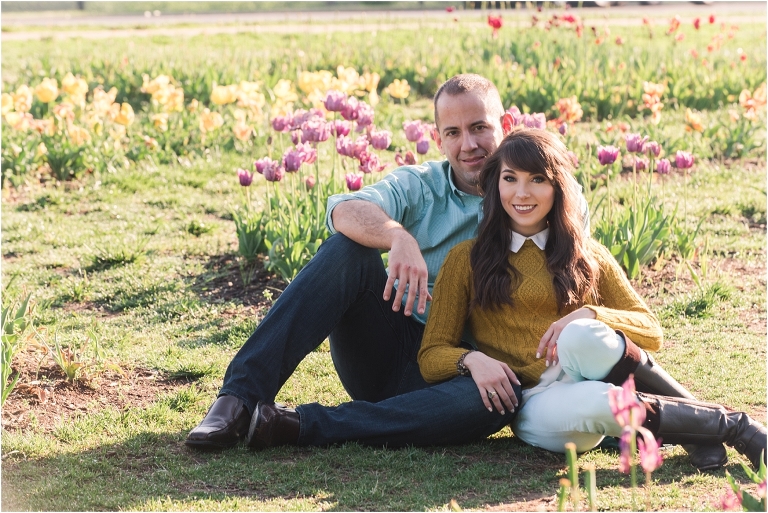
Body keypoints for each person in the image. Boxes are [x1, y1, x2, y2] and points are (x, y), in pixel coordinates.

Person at [185, 73, 521, 450]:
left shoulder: (538, 197)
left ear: (506, 126)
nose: (468, 145)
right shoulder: (423, 185)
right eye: (454, 132)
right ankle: (238, 399)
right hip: (388, 348)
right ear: (439, 137)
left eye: (479, 128)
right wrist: (398, 236)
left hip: (461, 376)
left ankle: (295, 425)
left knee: (499, 398)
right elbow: (344, 209)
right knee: (347, 250)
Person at [416, 128, 766, 470]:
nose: (521, 193)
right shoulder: (467, 259)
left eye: (537, 179)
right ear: (495, 185)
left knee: (580, 334)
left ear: (557, 188)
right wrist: (472, 360)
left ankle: (707, 434)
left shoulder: (586, 254)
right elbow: (431, 355)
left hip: (591, 370)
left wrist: (590, 313)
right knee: (600, 404)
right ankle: (730, 426)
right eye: (510, 179)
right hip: (537, 403)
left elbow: (651, 331)